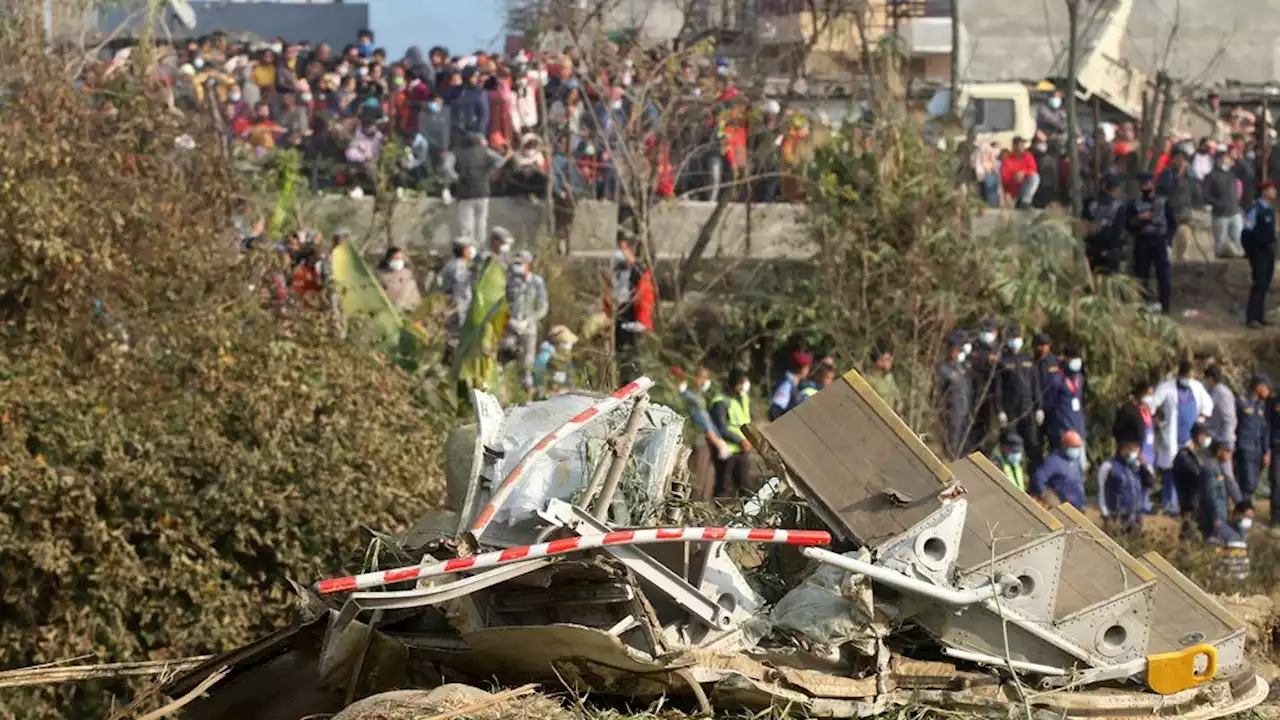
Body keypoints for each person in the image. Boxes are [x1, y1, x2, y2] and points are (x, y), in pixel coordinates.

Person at [1154, 361, 1215, 515]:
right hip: (1173, 437)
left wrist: (1200, 421)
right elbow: (1152, 406)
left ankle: (1184, 505)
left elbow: (1208, 405)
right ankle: (1168, 503)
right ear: (1179, 374)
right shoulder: (1166, 388)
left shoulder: (1196, 387)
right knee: (1171, 470)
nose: (1188, 378)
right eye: (1185, 376)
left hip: (1191, 438)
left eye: (1190, 376)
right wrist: (1160, 422)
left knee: (1189, 471)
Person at [603, 236, 656, 384]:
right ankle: (621, 384)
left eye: (623, 248)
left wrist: (641, 322)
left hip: (635, 321)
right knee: (621, 358)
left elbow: (645, 297)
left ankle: (635, 386)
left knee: (634, 359)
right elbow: (608, 292)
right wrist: (608, 312)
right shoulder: (616, 270)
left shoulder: (639, 271)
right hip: (619, 318)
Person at [673, 365, 730, 501]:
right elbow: (703, 423)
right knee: (698, 480)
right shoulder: (691, 398)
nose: (704, 382)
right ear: (695, 378)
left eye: (706, 378)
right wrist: (718, 442)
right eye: (702, 378)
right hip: (698, 442)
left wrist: (718, 439)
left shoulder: (697, 396)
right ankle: (694, 508)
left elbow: (708, 421)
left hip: (704, 442)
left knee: (707, 479)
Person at [1126, 173, 1176, 314]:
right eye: (1142, 184)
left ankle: (1165, 306)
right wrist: (1138, 219)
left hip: (1160, 241)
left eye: (1147, 183)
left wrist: (1169, 240)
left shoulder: (1164, 202)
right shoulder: (1134, 204)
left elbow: (1172, 224)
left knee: (1163, 276)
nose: (1145, 186)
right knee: (1141, 275)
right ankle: (1142, 306)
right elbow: (1128, 225)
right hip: (1142, 241)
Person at [995, 326, 1040, 468]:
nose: (1015, 342)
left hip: (1028, 408)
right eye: (1013, 339)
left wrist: (1039, 407)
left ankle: (1033, 479)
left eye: (1017, 339)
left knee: (1032, 443)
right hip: (1010, 410)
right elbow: (998, 388)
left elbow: (1035, 385)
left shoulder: (1028, 359)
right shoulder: (1003, 360)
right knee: (1010, 443)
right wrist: (999, 410)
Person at [503, 250, 549, 389]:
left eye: (520, 263)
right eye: (516, 263)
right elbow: (502, 302)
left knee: (527, 364)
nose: (517, 266)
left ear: (528, 264)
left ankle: (526, 393)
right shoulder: (508, 280)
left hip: (528, 328)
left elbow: (543, 306)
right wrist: (509, 319)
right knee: (506, 358)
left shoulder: (537, 282)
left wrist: (529, 320)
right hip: (510, 327)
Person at [453, 132, 507, 245]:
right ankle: (481, 248)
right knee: (481, 223)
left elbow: (446, 167)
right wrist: (488, 174)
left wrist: (456, 178)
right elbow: (500, 161)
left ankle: (468, 250)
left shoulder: (457, 153)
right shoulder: (485, 152)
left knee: (467, 225)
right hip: (483, 191)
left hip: (465, 193)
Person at [709, 369, 753, 497]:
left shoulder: (739, 400)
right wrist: (740, 440)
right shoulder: (720, 402)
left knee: (745, 487)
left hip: (741, 450)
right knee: (723, 488)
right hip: (727, 451)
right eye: (742, 382)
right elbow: (721, 427)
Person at [1044, 345, 1086, 468]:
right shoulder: (1057, 379)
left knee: (1081, 467)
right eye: (1073, 358)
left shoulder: (1080, 378)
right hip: (1062, 432)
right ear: (1065, 359)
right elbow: (1050, 405)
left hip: (1078, 430)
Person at [1243, 180, 1277, 329]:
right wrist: (1252, 250)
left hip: (1268, 250)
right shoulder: (1255, 210)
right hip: (1258, 251)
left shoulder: (1270, 210)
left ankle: (1260, 316)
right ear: (1264, 192)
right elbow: (1247, 232)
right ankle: (1251, 318)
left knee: (1265, 284)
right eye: (1272, 189)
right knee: (1259, 283)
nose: (1274, 192)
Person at [1235, 374, 1270, 515]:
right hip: (1245, 446)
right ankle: (1246, 509)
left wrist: (1267, 450)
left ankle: (1242, 507)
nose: (1267, 391)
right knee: (1248, 481)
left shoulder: (1261, 406)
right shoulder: (1242, 402)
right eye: (1265, 387)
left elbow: (1264, 429)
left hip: (1258, 449)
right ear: (1258, 387)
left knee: (1252, 481)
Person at [1098, 440, 1150, 536]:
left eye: (1136, 450)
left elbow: (1149, 483)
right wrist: (1105, 513)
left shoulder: (1138, 467)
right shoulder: (1109, 466)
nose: (1134, 452)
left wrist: (1143, 465)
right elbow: (1101, 491)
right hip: (1116, 516)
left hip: (1135, 516)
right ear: (1122, 449)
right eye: (1131, 449)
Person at [936, 331, 973, 461]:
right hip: (951, 416)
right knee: (951, 451)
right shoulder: (944, 370)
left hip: (964, 414)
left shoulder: (963, 369)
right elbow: (938, 394)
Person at [1030, 430, 1086, 510]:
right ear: (1064, 445)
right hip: (1062, 509)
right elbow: (1038, 478)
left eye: (1077, 447)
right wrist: (1048, 496)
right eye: (1073, 447)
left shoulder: (1074, 461)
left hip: (1077, 506)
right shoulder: (1053, 461)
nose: (1076, 450)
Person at [1204, 148, 1245, 258]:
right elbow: (1206, 195)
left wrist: (1238, 158)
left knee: (1238, 237)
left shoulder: (1231, 174)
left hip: (1235, 211)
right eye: (1226, 158)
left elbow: (1245, 171)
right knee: (1220, 240)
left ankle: (1239, 258)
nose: (1228, 160)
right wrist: (1217, 203)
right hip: (1220, 214)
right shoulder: (1211, 176)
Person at [968, 318, 1001, 452]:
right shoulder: (974, 347)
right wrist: (986, 359)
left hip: (992, 397)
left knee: (989, 430)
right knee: (973, 428)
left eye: (990, 331)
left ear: (996, 332)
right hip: (974, 393)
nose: (986, 334)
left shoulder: (999, 349)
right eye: (984, 331)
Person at [1083, 173, 1127, 274]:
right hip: (1110, 251)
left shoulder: (1090, 203)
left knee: (1093, 280)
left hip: (1091, 250)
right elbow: (1118, 231)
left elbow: (1084, 225)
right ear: (1116, 189)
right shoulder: (1119, 207)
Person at [438, 237, 474, 343]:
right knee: (455, 340)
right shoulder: (459, 266)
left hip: (451, 308)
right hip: (457, 310)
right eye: (469, 249)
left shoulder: (452, 264)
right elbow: (460, 289)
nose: (470, 251)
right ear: (463, 250)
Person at [375, 246, 422, 313]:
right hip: (386, 308)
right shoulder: (379, 274)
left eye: (401, 259)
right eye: (396, 258)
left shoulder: (407, 274)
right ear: (388, 259)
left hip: (407, 309)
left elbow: (409, 294)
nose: (399, 261)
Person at [769, 350, 813, 421]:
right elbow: (775, 408)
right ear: (801, 369)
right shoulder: (787, 383)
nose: (808, 371)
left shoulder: (795, 383)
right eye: (807, 368)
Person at [533, 325, 576, 396]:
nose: (569, 346)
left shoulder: (544, 354)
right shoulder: (554, 360)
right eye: (567, 343)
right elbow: (556, 385)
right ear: (560, 343)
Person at [999, 136, 1040, 209]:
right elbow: (1004, 178)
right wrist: (1014, 177)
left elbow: (1033, 169)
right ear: (1014, 146)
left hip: (1024, 187)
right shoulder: (1007, 160)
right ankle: (1018, 203)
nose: (1022, 147)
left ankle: (1025, 202)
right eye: (1019, 144)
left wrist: (1023, 173)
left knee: (1035, 177)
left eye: (1022, 144)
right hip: (1012, 191)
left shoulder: (1028, 156)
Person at [864, 346, 902, 414]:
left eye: (891, 359)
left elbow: (897, 396)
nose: (890, 362)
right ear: (878, 361)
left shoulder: (889, 377)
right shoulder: (868, 380)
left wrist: (899, 404)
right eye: (887, 359)